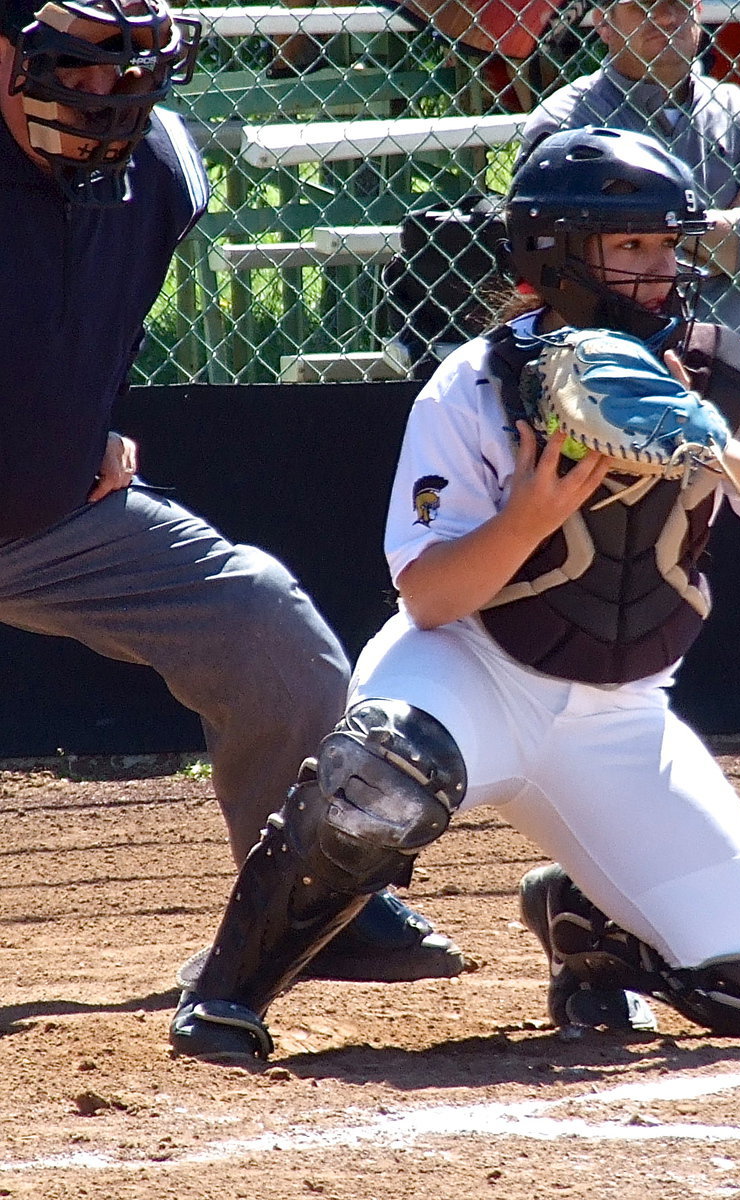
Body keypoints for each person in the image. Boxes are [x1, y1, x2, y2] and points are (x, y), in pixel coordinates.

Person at [169, 125, 740, 1061]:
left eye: (669, 243)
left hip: (620, 718)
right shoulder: (480, 383)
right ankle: (227, 995)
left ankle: (592, 929)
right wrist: (530, 515)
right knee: (381, 771)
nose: (662, 270)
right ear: (557, 257)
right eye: (631, 247)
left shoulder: (720, 378)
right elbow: (429, 598)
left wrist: (719, 445)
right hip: (469, 672)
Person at [0, 0, 465, 988]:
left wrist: (91, 422)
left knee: (263, 626)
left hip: (44, 522)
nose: (103, 100)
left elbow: (95, 316)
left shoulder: (156, 173)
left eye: (126, 73)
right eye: (74, 71)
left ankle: (314, 905)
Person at [519, 0, 740, 346]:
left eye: (679, 4)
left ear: (698, 13)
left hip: (723, 372)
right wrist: (729, 232)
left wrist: (635, 233)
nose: (666, 17)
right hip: (598, 363)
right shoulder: (567, 124)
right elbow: (550, 255)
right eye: (642, 7)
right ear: (603, 23)